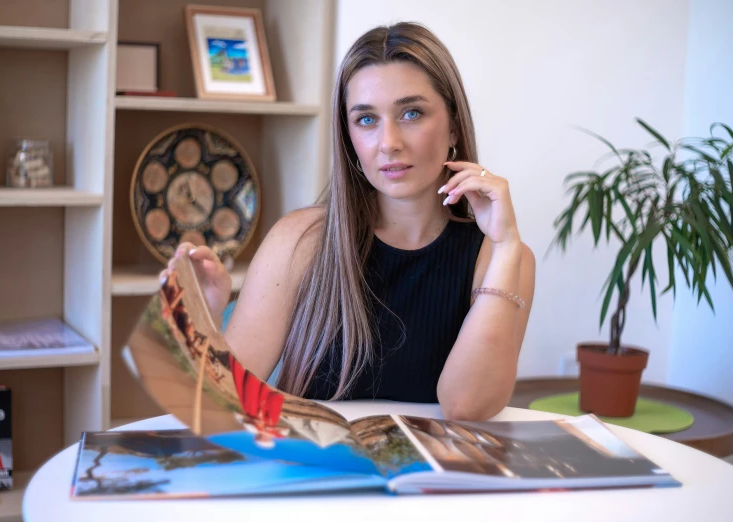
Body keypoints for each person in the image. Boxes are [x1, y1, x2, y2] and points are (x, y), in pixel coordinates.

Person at [161, 22, 536, 421]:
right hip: (314, 477)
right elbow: (217, 402)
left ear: (454, 125)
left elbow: (467, 406)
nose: (388, 142)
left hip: (432, 478)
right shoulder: (301, 240)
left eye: (411, 113)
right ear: (349, 137)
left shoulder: (501, 258)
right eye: (367, 120)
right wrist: (197, 314)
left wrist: (507, 245)